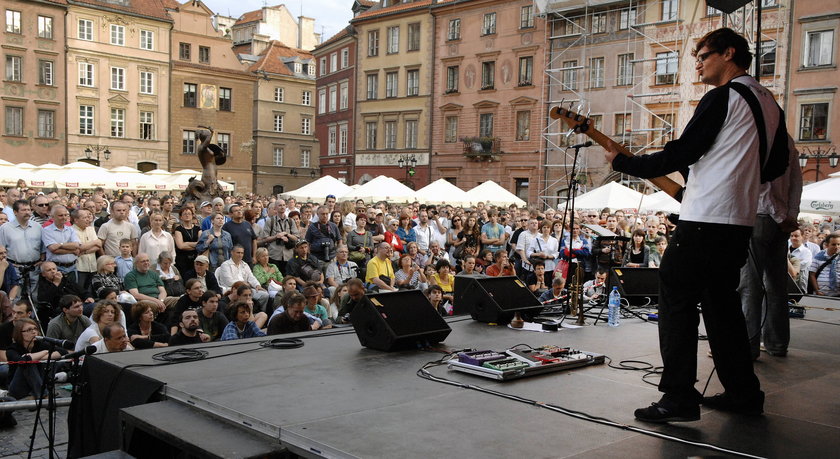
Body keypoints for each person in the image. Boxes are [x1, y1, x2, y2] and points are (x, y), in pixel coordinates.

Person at [605, 28, 775, 422]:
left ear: (729, 53)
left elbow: (682, 151)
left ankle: (679, 396)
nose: (697, 63)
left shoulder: (723, 97)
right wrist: (736, 178)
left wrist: (625, 163)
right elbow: (777, 163)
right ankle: (743, 392)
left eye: (702, 55)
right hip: (738, 220)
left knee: (677, 300)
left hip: (705, 218)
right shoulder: (769, 103)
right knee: (722, 305)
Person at [6, 318, 69, 400]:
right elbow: (22, 361)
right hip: (18, 387)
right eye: (29, 330)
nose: (34, 332)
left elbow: (63, 352)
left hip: (37, 384)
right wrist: (44, 353)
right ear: (20, 333)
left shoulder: (40, 344)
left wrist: (41, 355)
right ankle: (43, 395)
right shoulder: (12, 349)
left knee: (49, 361)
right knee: (28, 363)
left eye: (35, 328)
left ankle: (35, 395)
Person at [0, 200, 43, 303]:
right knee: (15, 298)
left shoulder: (37, 227)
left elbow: (43, 248)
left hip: (34, 268)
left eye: (28, 210)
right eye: (23, 210)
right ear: (15, 212)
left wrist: (41, 260)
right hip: (15, 268)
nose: (27, 212)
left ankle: (33, 317)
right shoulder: (5, 228)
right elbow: (1, 249)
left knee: (35, 297)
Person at [215, 245, 270, 313]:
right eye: (238, 252)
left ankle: (257, 312)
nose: (240, 255)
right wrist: (244, 283)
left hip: (246, 289)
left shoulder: (245, 265)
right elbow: (229, 281)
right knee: (244, 294)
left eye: (242, 253)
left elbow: (251, 277)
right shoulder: (225, 265)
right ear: (232, 252)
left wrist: (257, 285)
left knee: (265, 294)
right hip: (232, 290)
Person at [257, 200, 298, 273]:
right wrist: (276, 237)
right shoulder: (270, 221)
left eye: (283, 205)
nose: (282, 207)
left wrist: (286, 234)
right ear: (275, 208)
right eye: (280, 205)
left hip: (288, 255)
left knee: (287, 278)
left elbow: (296, 238)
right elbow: (265, 238)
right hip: (274, 255)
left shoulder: (291, 221)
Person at [71, 208, 101, 294]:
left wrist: (84, 251)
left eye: (88, 217)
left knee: (90, 292)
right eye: (84, 218)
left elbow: (98, 245)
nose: (88, 219)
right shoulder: (71, 230)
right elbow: (79, 247)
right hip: (80, 267)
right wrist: (94, 242)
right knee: (79, 292)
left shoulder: (91, 229)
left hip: (92, 266)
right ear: (76, 220)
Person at [173, 207, 200, 275]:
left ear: (192, 215)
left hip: (195, 258)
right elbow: (180, 246)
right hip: (182, 260)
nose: (187, 215)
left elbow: (201, 245)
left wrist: (187, 243)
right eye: (185, 214)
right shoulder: (178, 229)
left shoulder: (198, 229)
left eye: (189, 214)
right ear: (181, 217)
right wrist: (195, 245)